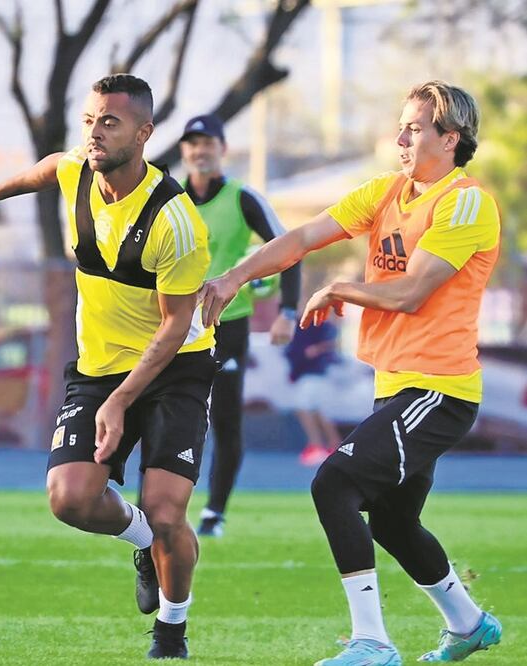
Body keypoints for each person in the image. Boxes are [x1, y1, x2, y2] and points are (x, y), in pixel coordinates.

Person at [201, 81, 502, 665]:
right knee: (392, 520)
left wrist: (341, 287)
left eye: (415, 128)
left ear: (451, 139)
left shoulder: (466, 202)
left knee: (333, 483)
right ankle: (468, 624)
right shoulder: (386, 191)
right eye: (401, 126)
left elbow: (413, 292)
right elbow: (301, 238)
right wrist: (234, 277)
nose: (401, 138)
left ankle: (373, 643)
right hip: (398, 386)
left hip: (440, 389)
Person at [0, 74, 217, 659]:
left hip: (176, 368)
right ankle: (143, 542)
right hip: (98, 368)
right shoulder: (79, 170)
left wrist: (121, 401)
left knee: (167, 510)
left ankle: (171, 632)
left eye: (110, 122)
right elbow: (49, 168)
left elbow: (175, 327)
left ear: (143, 134)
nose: (95, 132)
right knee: (69, 499)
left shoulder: (175, 221)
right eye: (90, 120)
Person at [177, 113, 301, 538]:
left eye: (208, 143)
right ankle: (155, 508)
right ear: (184, 151)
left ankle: (214, 512)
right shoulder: (169, 198)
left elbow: (289, 248)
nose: (200, 151)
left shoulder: (242, 198)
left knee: (225, 420)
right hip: (174, 325)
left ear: (222, 149)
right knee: (167, 415)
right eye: (193, 144)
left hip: (227, 325)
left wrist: (288, 312)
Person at [285, 316, 342, 466]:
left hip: (315, 373)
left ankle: (320, 445)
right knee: (318, 410)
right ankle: (329, 446)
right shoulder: (299, 324)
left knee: (307, 409)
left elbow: (330, 345)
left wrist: (316, 350)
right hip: (309, 373)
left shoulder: (322, 325)